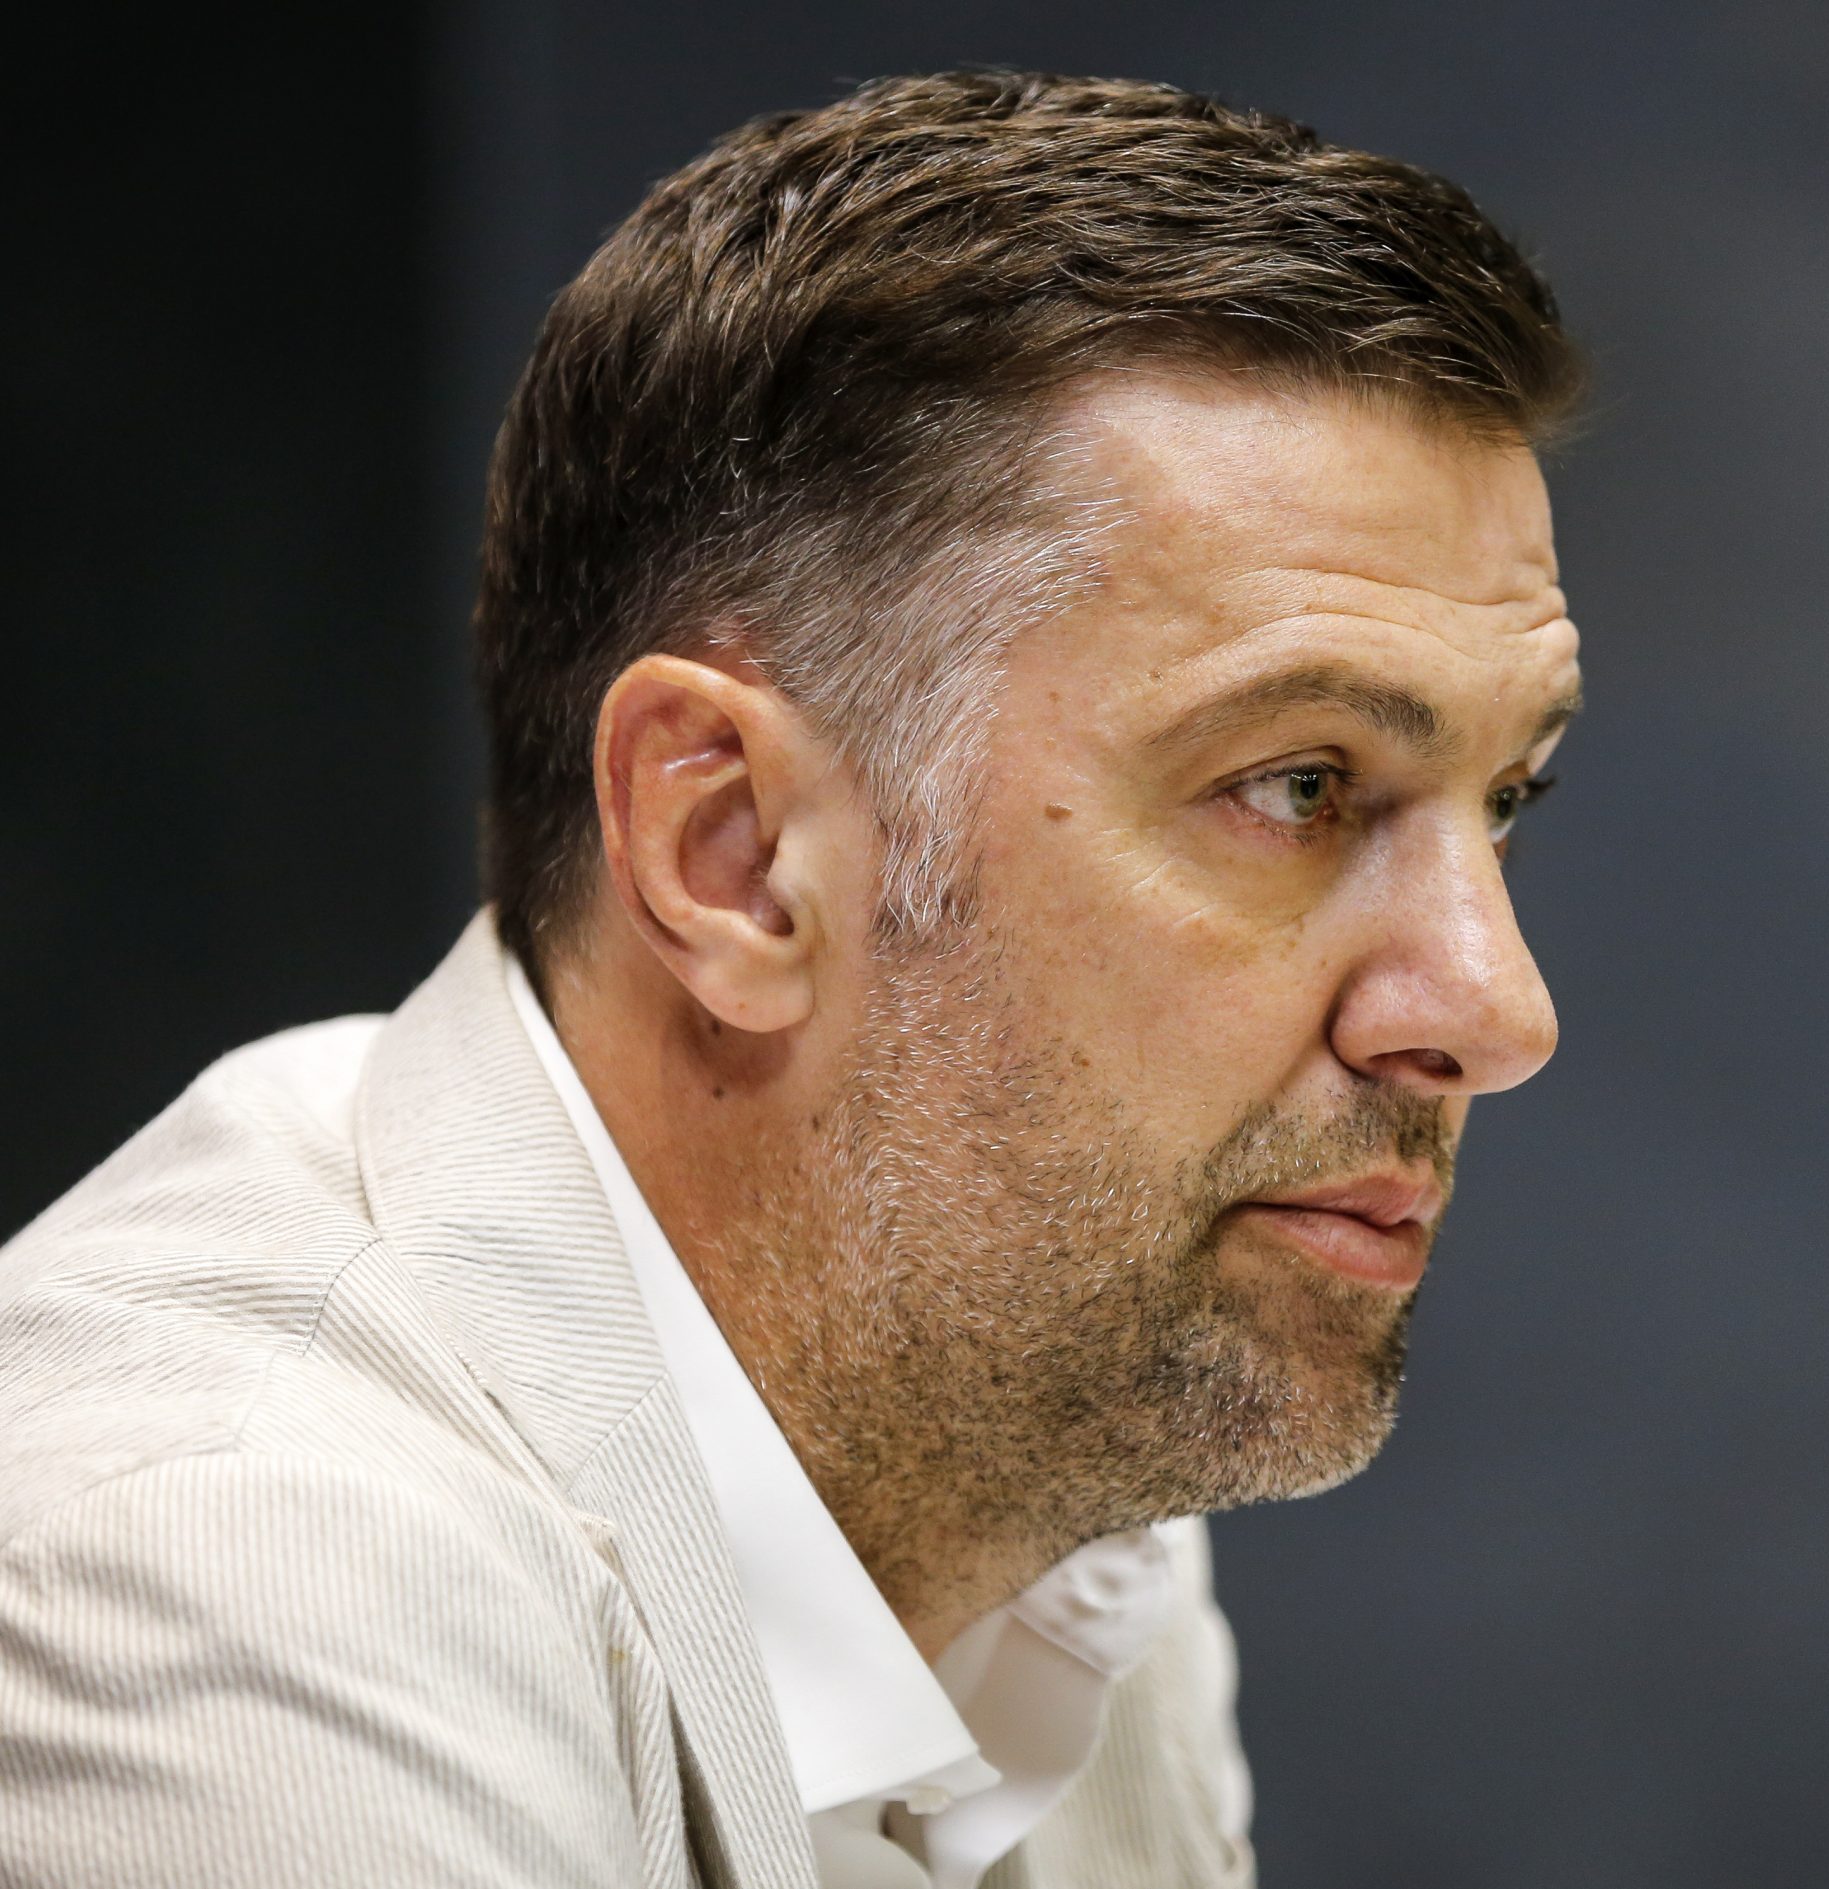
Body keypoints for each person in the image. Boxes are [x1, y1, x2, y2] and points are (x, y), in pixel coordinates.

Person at [0, 70, 1582, 1889]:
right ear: (735, 857)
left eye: (1508, 797)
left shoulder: (1052, 1473)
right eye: (1297, 786)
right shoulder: (230, 1577)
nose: (1497, 1010)